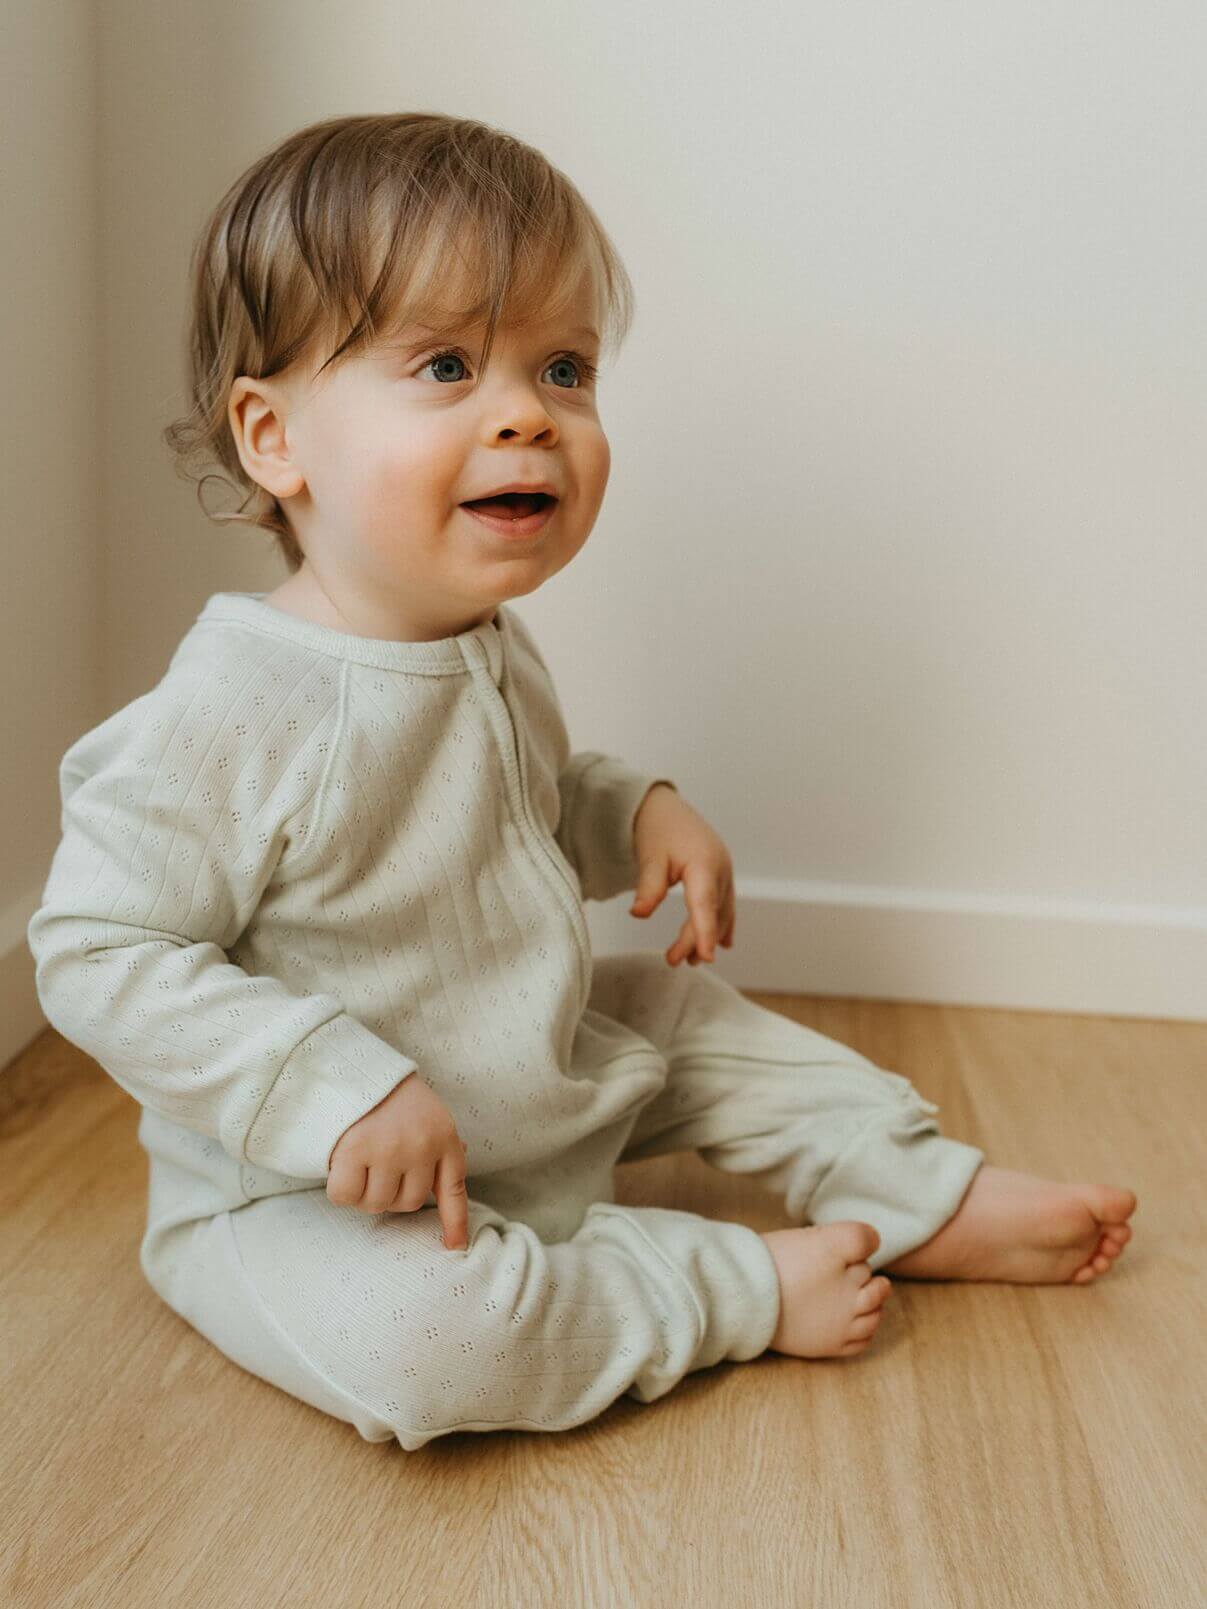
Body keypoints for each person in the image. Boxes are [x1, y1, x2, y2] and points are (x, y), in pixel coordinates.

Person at [27, 112, 1136, 1450]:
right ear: (276, 439)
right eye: (446, 363)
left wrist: (633, 811)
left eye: (564, 368)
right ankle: (722, 1283)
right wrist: (332, 1087)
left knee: (689, 1017)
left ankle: (919, 1191)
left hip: (524, 1057)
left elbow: (517, 805)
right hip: (319, 1184)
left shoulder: (484, 640)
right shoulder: (238, 706)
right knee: (435, 1339)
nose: (526, 414)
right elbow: (95, 940)